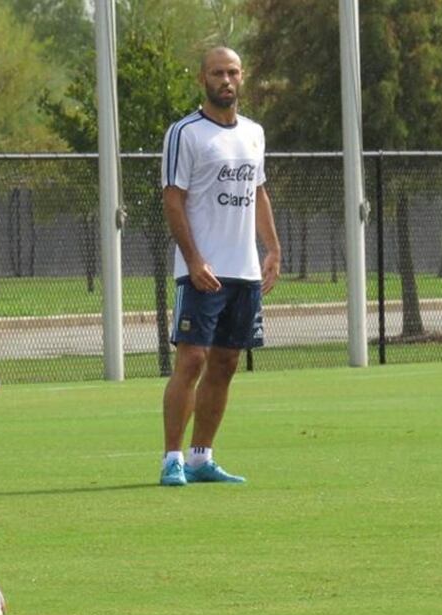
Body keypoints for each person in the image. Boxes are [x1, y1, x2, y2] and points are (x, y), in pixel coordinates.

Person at [158, 46, 281, 487]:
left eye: (232, 73)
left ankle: (201, 457)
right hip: (202, 271)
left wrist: (272, 248)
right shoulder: (185, 133)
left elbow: (259, 191)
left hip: (243, 271)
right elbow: (173, 198)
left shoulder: (253, 133)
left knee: (226, 363)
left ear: (242, 77)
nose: (225, 80)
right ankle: (172, 458)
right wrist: (193, 260)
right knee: (191, 360)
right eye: (217, 73)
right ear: (202, 80)